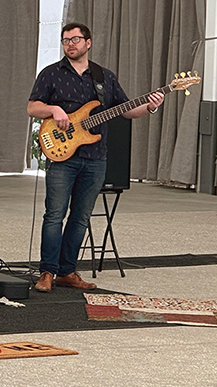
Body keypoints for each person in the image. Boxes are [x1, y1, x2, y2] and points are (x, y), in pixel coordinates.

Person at [28, 22, 164, 292]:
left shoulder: (105, 77)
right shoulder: (51, 73)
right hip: (62, 156)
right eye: (66, 40)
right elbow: (32, 107)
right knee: (54, 215)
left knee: (80, 217)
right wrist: (54, 109)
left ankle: (67, 271)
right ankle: (47, 272)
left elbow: (125, 110)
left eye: (75, 39)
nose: (70, 44)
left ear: (88, 43)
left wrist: (150, 107)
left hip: (95, 157)